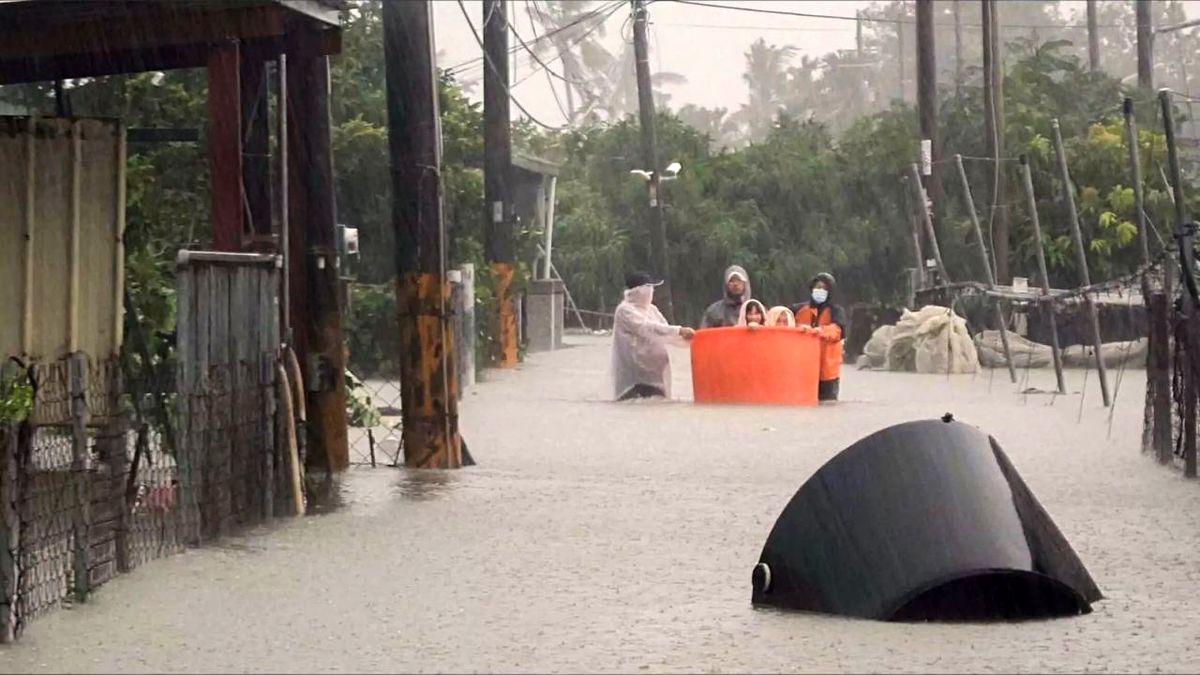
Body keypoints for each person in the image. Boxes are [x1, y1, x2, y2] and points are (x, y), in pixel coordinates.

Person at [611, 271, 696, 401]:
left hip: (656, 373)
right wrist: (679, 330)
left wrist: (692, 340)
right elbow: (647, 328)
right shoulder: (624, 310)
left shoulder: (652, 310)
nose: (652, 291)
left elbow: (666, 333)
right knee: (634, 405)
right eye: (648, 287)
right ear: (639, 291)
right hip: (635, 375)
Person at [793, 273, 847, 402]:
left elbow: (837, 331)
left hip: (828, 370)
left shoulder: (836, 311)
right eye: (818, 287)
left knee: (827, 404)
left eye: (824, 288)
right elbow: (782, 322)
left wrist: (819, 331)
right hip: (802, 368)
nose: (820, 291)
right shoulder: (798, 309)